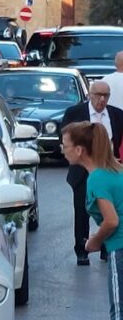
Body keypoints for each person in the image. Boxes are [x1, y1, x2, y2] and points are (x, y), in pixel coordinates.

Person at [61, 121, 123, 319]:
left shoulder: (96, 178)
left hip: (119, 247)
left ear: (79, 150)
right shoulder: (117, 172)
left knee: (119, 309)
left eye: (65, 145)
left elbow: (112, 220)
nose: (63, 150)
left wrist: (94, 241)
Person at [61, 81, 123, 265]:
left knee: (110, 210)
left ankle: (106, 248)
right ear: (90, 94)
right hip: (81, 173)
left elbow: (111, 220)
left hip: (108, 168)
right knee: (82, 210)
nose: (102, 99)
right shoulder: (74, 113)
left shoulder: (117, 114)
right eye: (98, 94)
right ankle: (82, 250)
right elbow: (65, 138)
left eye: (106, 95)